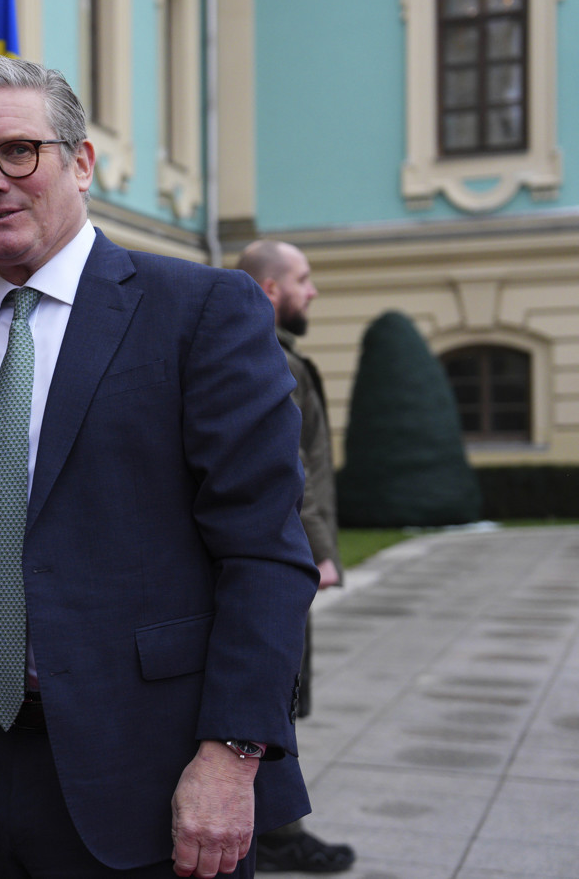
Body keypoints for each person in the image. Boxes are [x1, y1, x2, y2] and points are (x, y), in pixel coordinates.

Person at [0, 56, 319, 879]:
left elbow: (265, 551)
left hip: (157, 773)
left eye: (18, 150)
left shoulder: (201, 311)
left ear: (82, 162)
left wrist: (232, 755)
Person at [238, 240, 356, 873]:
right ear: (270, 290)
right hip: (282, 555)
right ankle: (277, 835)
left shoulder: (273, 352)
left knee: (277, 690)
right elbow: (292, 466)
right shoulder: (269, 358)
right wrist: (319, 551)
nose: (312, 291)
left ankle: (273, 828)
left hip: (280, 551)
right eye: (302, 279)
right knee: (273, 692)